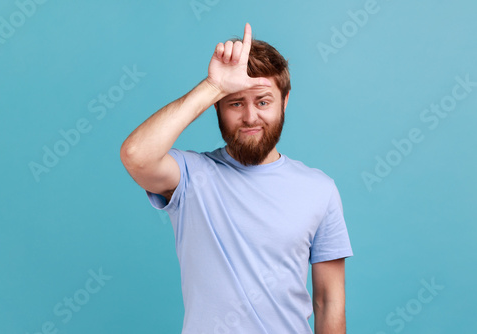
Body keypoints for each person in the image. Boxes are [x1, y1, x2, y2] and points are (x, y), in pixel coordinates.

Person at [120, 23, 353, 334]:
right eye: (235, 102)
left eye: (263, 101)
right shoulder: (191, 176)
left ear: (284, 102)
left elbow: (328, 301)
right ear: (217, 107)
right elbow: (136, 155)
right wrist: (214, 85)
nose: (250, 117)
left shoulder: (320, 190)